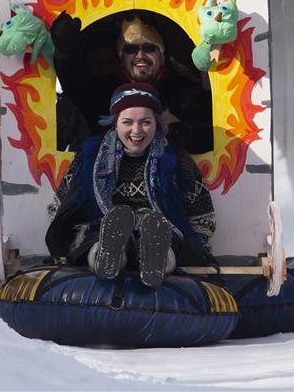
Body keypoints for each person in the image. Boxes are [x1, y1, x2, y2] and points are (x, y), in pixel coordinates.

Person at [46, 83, 216, 287]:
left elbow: (202, 213)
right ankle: (105, 257)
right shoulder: (90, 158)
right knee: (100, 232)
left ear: (157, 124)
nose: (137, 131)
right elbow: (61, 206)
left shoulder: (175, 160)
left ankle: (162, 259)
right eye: (127, 122)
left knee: (164, 234)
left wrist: (196, 246)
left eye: (146, 122)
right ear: (115, 124)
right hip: (107, 227)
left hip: (160, 230)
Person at [52, 11, 214, 154]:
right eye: (131, 50)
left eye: (149, 48)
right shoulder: (105, 91)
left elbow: (214, 133)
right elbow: (74, 83)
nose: (140, 55)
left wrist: (185, 132)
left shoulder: (183, 91)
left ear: (162, 57)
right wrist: (64, 53)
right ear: (122, 60)